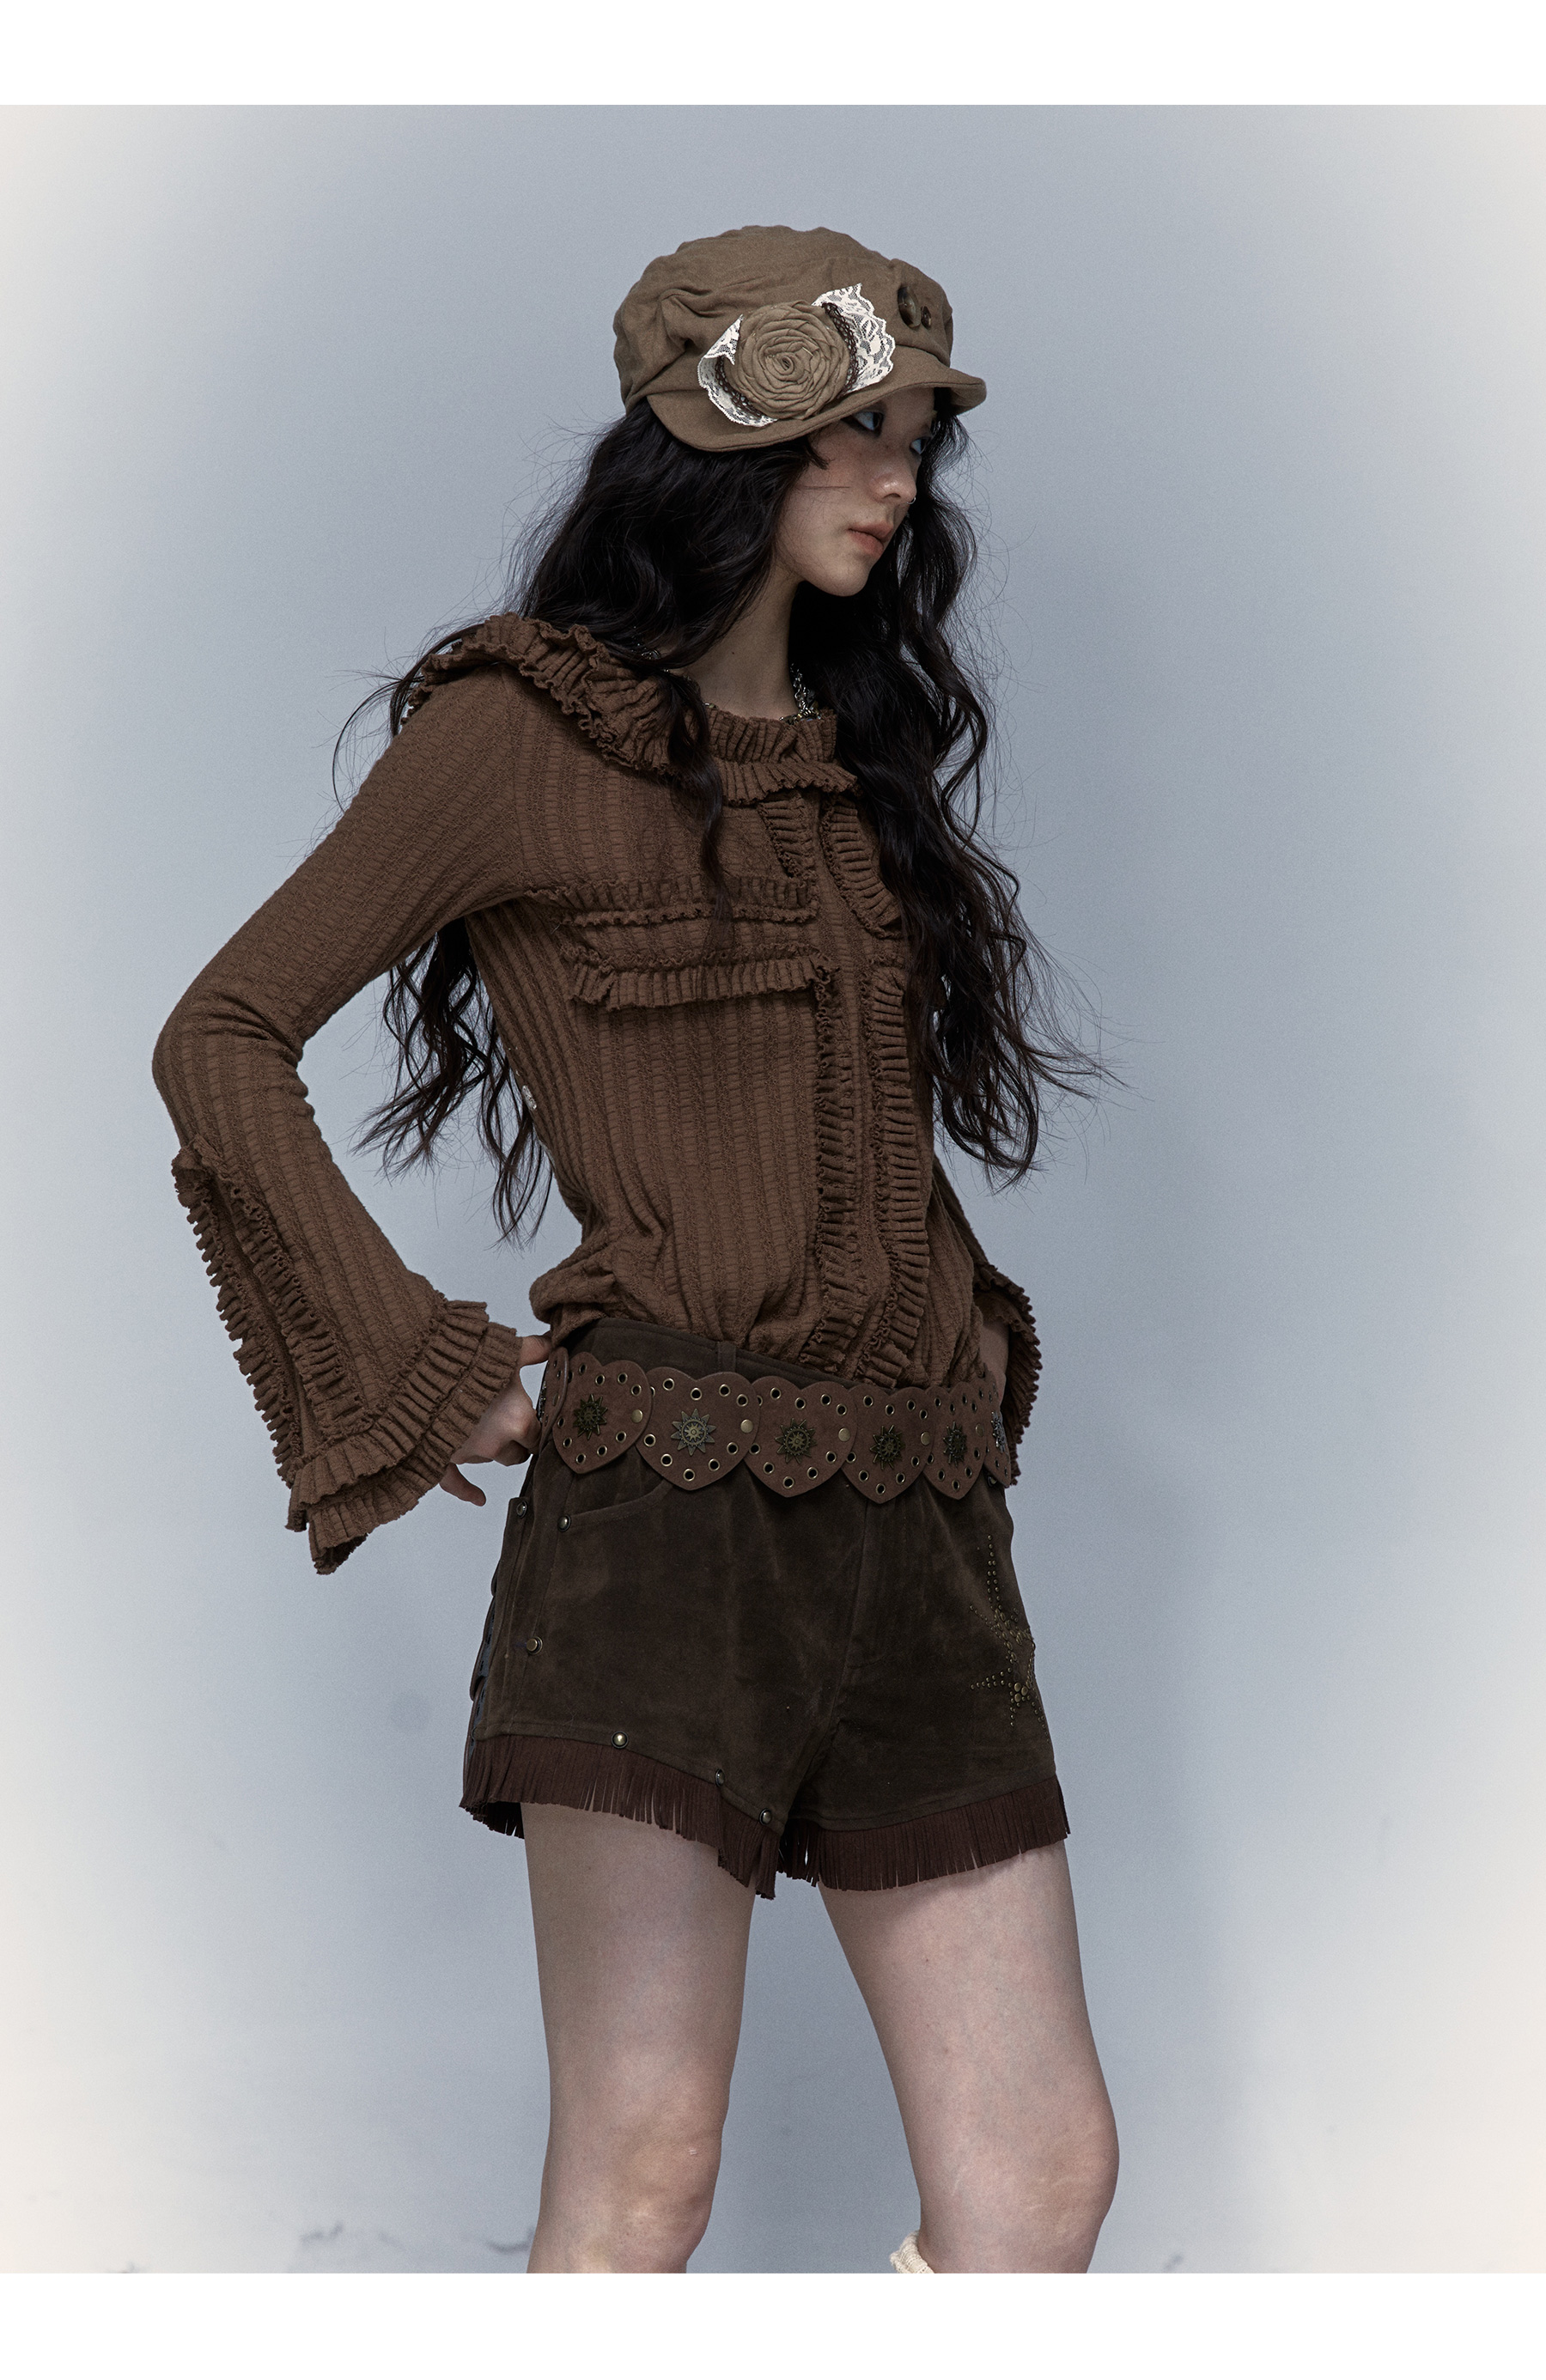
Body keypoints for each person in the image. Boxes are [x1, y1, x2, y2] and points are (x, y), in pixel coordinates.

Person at [153, 224, 1118, 2274]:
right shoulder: (524, 737)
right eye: (855, 434)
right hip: (668, 1528)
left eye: (916, 437)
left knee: (1040, 2180)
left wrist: (954, 1330)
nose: (898, 478)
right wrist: (417, 1369)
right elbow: (221, 1033)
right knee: (645, 2170)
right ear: (723, 448)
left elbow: (851, 1145)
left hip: (920, 1521)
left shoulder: (851, 764)